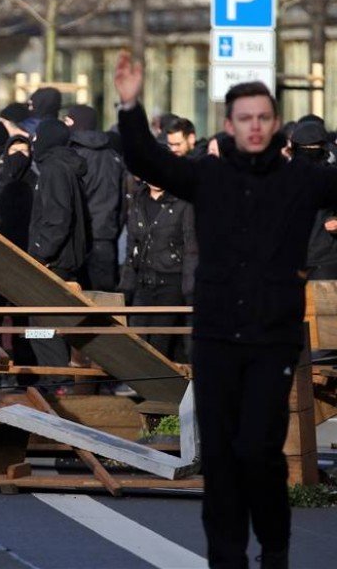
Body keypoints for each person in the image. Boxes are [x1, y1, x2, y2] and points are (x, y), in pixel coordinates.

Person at [114, 51, 337, 569]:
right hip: (215, 337)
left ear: (274, 123)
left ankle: (274, 550)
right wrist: (129, 105)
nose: (255, 127)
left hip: (272, 338)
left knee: (259, 451)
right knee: (220, 455)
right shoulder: (206, 176)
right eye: (245, 118)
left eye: (263, 118)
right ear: (229, 125)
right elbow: (147, 160)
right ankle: (226, 558)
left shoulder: (301, 180)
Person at [27, 119, 90, 376]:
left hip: (52, 265)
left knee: (42, 330)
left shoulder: (53, 169)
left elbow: (57, 218)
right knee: (46, 328)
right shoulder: (65, 167)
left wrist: (40, 253)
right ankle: (56, 382)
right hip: (62, 262)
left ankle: (55, 384)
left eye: (37, 136)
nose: (33, 142)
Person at [119, 178, 197, 362]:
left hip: (170, 281)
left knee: (159, 341)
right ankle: (138, 383)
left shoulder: (183, 202)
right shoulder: (139, 199)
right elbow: (132, 244)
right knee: (137, 336)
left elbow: (191, 247)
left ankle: (154, 386)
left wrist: (189, 290)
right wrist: (125, 287)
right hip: (143, 279)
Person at [65, 104, 124, 291]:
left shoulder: (73, 155)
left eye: (67, 121)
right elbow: (122, 202)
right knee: (105, 300)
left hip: (79, 238)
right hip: (106, 235)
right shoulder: (112, 156)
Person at [290, 122, 337, 280]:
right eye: (305, 147)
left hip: (325, 261)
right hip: (291, 261)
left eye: (314, 147)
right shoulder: (281, 177)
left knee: (325, 304)